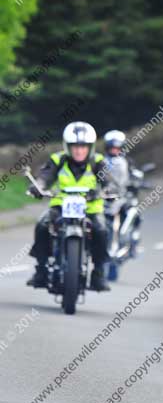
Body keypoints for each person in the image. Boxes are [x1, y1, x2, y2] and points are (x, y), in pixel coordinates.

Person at [27, 121, 111, 292]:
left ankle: (98, 273)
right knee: (42, 225)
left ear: (91, 147)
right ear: (68, 146)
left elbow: (109, 182)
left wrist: (108, 190)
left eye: (83, 147)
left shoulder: (98, 162)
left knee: (102, 230)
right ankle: (41, 270)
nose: (79, 151)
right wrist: (39, 186)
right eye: (75, 146)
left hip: (91, 208)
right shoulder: (58, 159)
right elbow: (45, 177)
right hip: (61, 205)